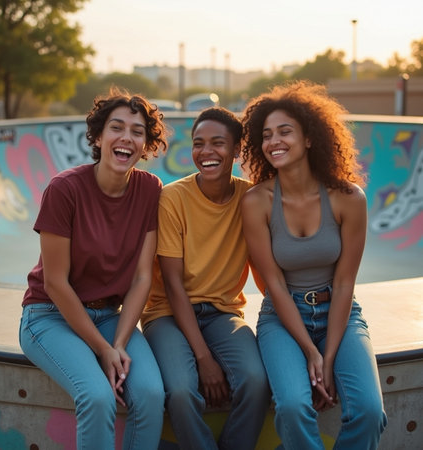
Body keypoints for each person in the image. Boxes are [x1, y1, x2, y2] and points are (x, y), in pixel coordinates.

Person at [240, 80, 387, 449]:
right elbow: (271, 283)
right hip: (282, 317)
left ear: (309, 138)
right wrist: (310, 352)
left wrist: (329, 357)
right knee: (291, 407)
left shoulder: (348, 198)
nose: (274, 141)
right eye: (267, 134)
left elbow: (344, 283)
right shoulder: (257, 201)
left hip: (340, 312)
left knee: (369, 411)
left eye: (285, 131)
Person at [19, 88, 168, 450]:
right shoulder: (64, 189)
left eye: (137, 131)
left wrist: (117, 343)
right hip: (49, 316)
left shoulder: (150, 189)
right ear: (99, 137)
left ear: (145, 145)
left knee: (150, 394)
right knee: (97, 397)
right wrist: (103, 350)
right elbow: (55, 283)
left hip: (110, 317)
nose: (126, 137)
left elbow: (141, 277)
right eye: (117, 127)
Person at [141, 107, 270, 450]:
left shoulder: (250, 198)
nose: (206, 151)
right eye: (199, 143)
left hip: (223, 314)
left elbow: (267, 270)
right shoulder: (173, 198)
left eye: (218, 143)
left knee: (256, 381)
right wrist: (204, 358)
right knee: (182, 390)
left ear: (237, 150)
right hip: (167, 313)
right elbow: (172, 284)